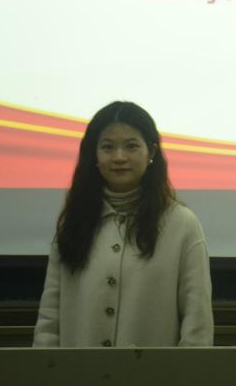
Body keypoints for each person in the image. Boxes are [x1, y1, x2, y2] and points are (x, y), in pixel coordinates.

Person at [33, 101, 213, 347]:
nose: (119, 157)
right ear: (94, 155)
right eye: (107, 147)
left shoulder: (181, 225)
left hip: (154, 372)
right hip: (78, 372)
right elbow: (49, 319)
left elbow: (197, 323)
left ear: (151, 153)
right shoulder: (74, 222)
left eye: (131, 146)